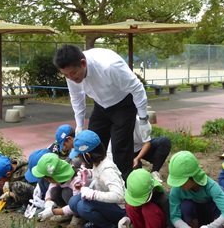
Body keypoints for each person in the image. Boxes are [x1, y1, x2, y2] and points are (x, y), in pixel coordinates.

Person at [53, 45, 151, 181]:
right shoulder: (70, 73)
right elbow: (76, 98)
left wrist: (143, 119)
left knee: (120, 150)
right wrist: (80, 125)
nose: (70, 78)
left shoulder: (109, 66)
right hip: (101, 104)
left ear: (83, 63)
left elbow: (138, 88)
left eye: (73, 73)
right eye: (66, 75)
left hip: (124, 104)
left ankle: (125, 186)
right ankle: (98, 179)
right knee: (90, 144)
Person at [68, 130, 126, 228]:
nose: (79, 158)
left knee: (83, 206)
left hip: (119, 208)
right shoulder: (97, 163)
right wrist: (89, 173)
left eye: (79, 156)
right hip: (107, 204)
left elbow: (119, 196)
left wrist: (93, 194)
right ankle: (98, 221)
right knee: (73, 202)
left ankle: (109, 226)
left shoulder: (108, 170)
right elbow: (99, 177)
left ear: (88, 156)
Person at [168, 150, 224, 228]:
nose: (178, 185)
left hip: (214, 219)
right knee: (186, 206)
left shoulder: (210, 186)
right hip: (195, 218)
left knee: (221, 196)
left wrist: (209, 227)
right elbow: (174, 216)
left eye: (181, 181)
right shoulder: (176, 190)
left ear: (192, 176)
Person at [107, 116, 171, 182]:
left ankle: (154, 172)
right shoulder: (117, 124)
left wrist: (137, 158)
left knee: (164, 142)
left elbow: (147, 143)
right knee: (136, 167)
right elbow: (111, 150)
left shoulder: (140, 123)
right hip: (127, 151)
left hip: (142, 148)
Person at [31, 153, 85, 226]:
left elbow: (76, 204)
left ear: (52, 177)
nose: (46, 180)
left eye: (46, 178)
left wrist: (53, 212)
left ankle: (78, 217)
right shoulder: (59, 175)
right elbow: (51, 188)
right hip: (73, 202)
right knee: (54, 191)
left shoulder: (77, 182)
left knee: (66, 193)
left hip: (81, 203)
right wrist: (48, 200)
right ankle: (66, 214)